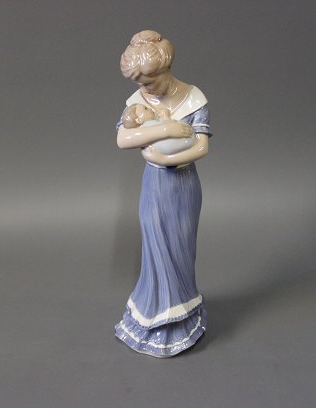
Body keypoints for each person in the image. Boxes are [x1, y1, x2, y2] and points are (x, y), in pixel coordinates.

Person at [115, 30, 212, 357]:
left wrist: (163, 157)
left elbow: (201, 147)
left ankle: (182, 317)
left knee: (181, 248)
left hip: (183, 186)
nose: (145, 89)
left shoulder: (194, 98)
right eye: (139, 83)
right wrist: (167, 129)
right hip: (155, 187)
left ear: (167, 68)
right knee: (156, 248)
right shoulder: (137, 101)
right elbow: (122, 139)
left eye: (150, 81)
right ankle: (154, 316)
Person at [122, 103, 197, 155]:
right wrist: (166, 116)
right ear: (139, 120)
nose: (149, 108)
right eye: (145, 109)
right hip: (173, 146)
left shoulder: (150, 125)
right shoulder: (148, 125)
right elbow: (169, 126)